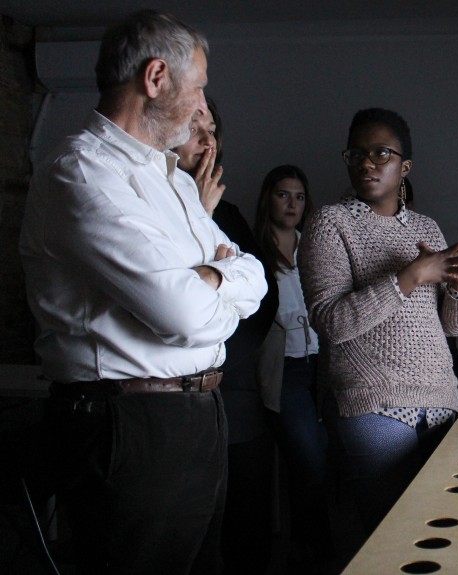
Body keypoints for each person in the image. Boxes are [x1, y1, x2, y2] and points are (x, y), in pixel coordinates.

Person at [18, 10, 268, 575]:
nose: (203, 107)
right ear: (156, 78)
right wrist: (214, 280)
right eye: (198, 88)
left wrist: (210, 277)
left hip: (197, 416)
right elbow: (184, 315)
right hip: (128, 425)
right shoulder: (81, 172)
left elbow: (254, 277)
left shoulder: (175, 179)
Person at [298, 108, 458, 559]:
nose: (367, 163)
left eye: (381, 153)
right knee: (395, 541)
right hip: (372, 402)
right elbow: (331, 321)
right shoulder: (329, 223)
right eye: (356, 153)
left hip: (440, 398)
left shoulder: (426, 227)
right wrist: (409, 277)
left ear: (405, 166)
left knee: (442, 534)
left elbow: (452, 326)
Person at [172, 97, 279, 575]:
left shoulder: (230, 215)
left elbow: (260, 298)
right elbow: (172, 299)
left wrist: (215, 356)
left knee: (245, 522)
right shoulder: (147, 212)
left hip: (232, 387)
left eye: (213, 128)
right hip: (169, 399)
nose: (207, 139)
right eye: (194, 125)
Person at [253, 164, 334, 571]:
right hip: (284, 369)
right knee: (308, 458)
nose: (292, 204)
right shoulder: (253, 250)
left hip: (323, 365)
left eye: (299, 197)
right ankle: (312, 549)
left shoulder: (314, 247)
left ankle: (310, 547)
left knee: (324, 458)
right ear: (268, 198)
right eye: (283, 194)